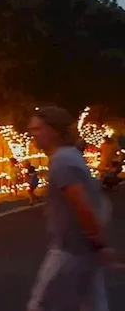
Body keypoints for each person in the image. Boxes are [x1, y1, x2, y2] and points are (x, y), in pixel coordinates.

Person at [27, 106, 121, 311]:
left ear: (53, 130)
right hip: (85, 251)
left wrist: (100, 244)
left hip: (68, 252)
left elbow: (81, 204)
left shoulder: (62, 161)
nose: (32, 134)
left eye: (37, 129)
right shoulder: (71, 155)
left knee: (41, 305)